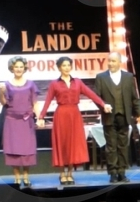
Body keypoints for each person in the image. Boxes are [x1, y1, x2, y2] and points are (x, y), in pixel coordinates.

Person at [36, 56, 110, 186]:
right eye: (64, 65)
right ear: (59, 68)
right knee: (62, 143)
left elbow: (91, 94)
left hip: (74, 115)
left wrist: (103, 104)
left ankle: (70, 173)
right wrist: (41, 116)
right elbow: (47, 101)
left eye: (68, 65)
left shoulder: (78, 82)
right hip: (61, 115)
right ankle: (62, 174)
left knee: (73, 144)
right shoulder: (54, 84)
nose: (66, 68)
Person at [94, 52, 140, 184]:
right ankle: (113, 173)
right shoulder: (101, 77)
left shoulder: (128, 77)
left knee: (123, 145)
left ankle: (122, 172)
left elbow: (134, 98)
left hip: (124, 116)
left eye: (113, 61)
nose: (110, 63)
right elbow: (96, 97)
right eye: (109, 61)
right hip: (109, 117)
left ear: (119, 62)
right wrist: (103, 105)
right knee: (111, 146)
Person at [0, 56, 41, 187]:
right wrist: (1, 92)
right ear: (12, 68)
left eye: (21, 67)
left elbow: (35, 103)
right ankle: (16, 177)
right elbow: (4, 103)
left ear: (24, 68)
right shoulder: (6, 84)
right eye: (16, 67)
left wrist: (39, 118)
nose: (18, 69)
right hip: (12, 121)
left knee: (27, 149)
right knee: (13, 149)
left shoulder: (30, 84)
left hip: (26, 122)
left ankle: (26, 176)